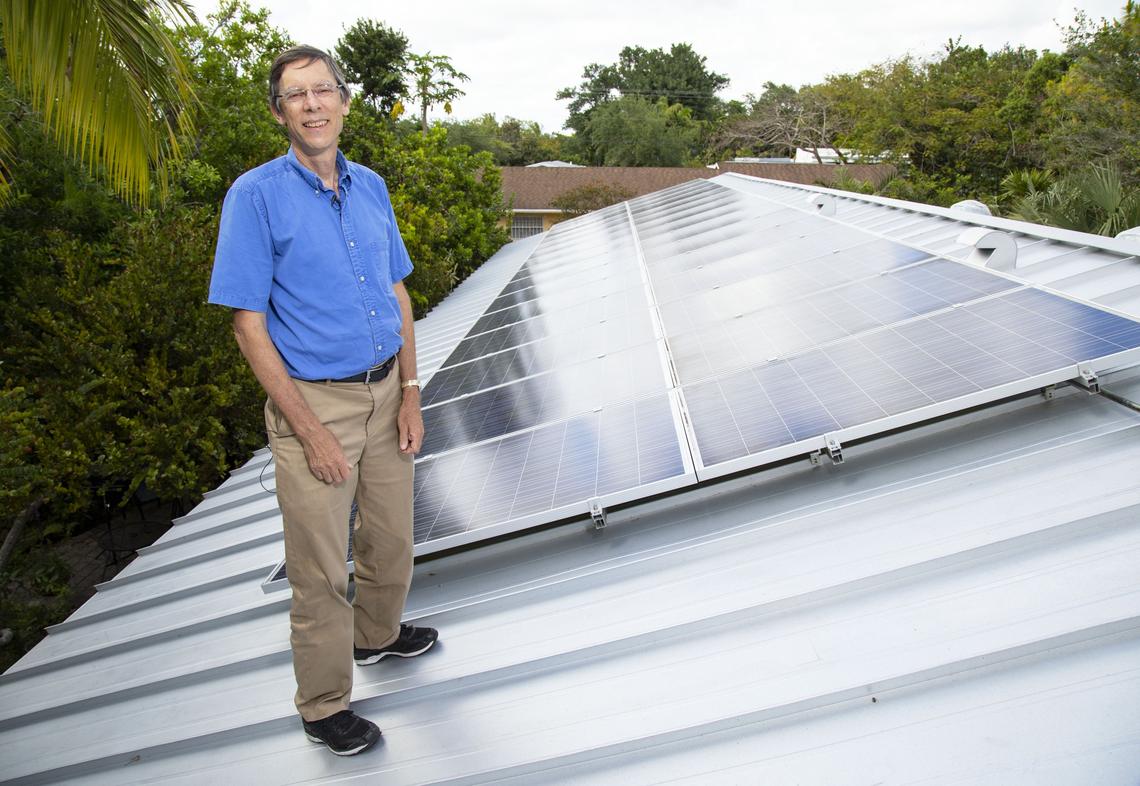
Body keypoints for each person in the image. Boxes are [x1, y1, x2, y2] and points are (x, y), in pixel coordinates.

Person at [208, 45, 437, 757]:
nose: (313, 105)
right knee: (317, 571)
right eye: (296, 95)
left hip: (383, 393)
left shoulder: (369, 185)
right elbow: (248, 324)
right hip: (316, 404)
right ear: (279, 112)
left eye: (323, 91)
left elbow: (397, 292)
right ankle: (324, 704)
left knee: (392, 541)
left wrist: (409, 392)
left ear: (343, 100)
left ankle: (378, 635)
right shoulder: (255, 195)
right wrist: (307, 429)